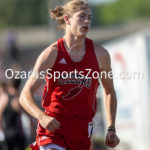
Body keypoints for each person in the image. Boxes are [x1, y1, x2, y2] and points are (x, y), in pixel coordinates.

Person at [19, 0, 120, 150]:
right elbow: (24, 95)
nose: (87, 21)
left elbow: (109, 91)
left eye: (90, 17)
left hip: (82, 131)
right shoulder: (51, 53)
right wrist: (42, 117)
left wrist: (111, 127)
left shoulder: (101, 55)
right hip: (53, 129)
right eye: (82, 16)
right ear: (67, 19)